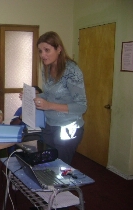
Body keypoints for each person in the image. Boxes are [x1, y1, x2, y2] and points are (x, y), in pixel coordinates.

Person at [34, 31, 87, 165]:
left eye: (47, 50)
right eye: (40, 51)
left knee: (61, 168)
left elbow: (81, 106)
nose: (43, 55)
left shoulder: (71, 71)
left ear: (59, 49)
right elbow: (48, 94)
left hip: (68, 127)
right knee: (47, 164)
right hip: (50, 125)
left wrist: (49, 105)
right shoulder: (46, 68)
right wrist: (34, 97)